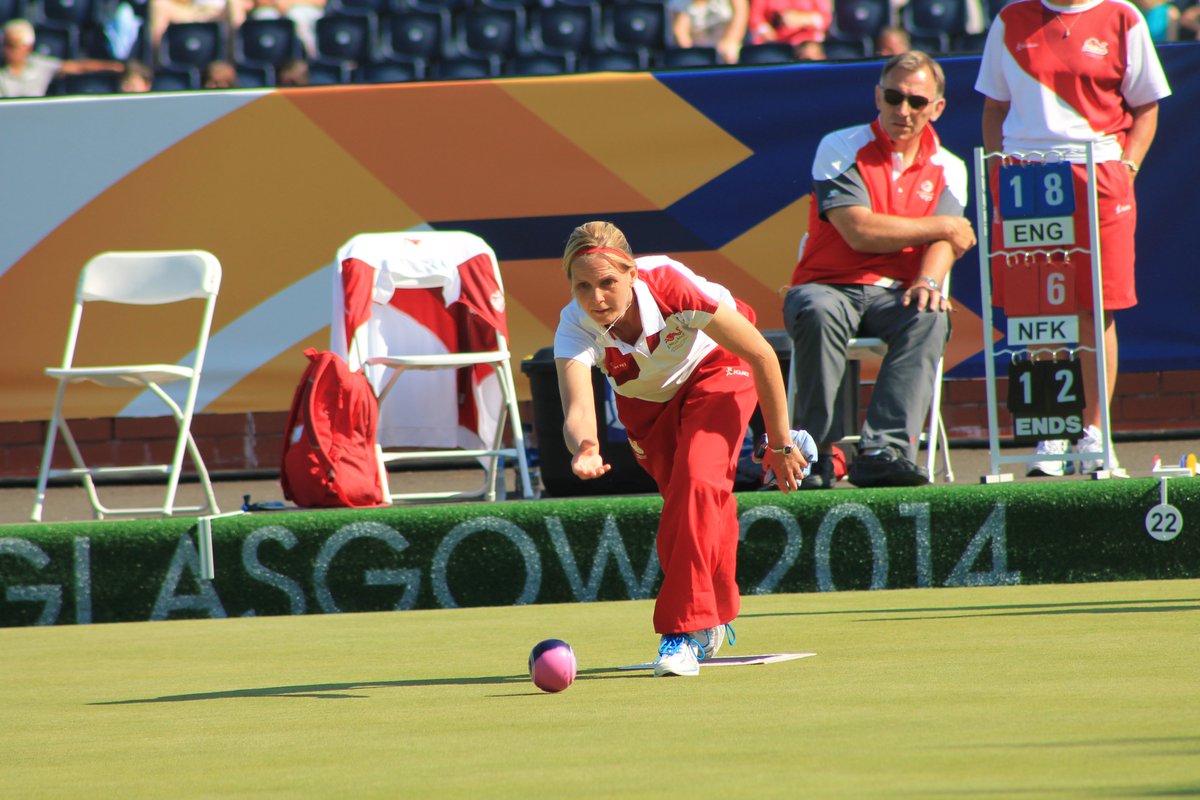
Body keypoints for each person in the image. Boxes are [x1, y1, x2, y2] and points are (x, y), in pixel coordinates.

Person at [554, 221, 809, 678]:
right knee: (692, 503)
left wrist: (780, 441)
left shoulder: (672, 286)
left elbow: (762, 355)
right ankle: (714, 615)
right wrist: (586, 446)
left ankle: (681, 631)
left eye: (608, 282)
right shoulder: (574, 325)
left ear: (631, 273)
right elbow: (577, 407)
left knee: (697, 481)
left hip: (718, 370)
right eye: (583, 286)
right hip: (646, 407)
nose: (596, 298)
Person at [976, 0, 1171, 476]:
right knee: (1036, 309)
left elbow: (1146, 107)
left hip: (1099, 171)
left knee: (1095, 306)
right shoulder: (1009, 18)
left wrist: (1127, 168)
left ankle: (1094, 432)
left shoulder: (1123, 16)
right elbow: (994, 108)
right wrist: (1001, 176)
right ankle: (1050, 431)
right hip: (1027, 175)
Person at [782, 50, 975, 489]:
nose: (903, 110)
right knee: (817, 309)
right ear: (878, 97)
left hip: (897, 294)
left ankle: (884, 451)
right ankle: (814, 457)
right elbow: (859, 231)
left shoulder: (952, 168)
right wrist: (944, 224)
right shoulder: (839, 146)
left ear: (937, 108)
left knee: (931, 314)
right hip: (826, 287)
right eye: (894, 97)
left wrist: (929, 279)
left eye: (917, 101)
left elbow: (948, 242)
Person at [0, 19, 123, 98]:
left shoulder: (40, 65)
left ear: (27, 47)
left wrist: (112, 66)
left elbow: (77, 67)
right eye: (5, 45)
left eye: (12, 46)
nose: (7, 50)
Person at [668, 0, 750, 65]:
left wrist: (729, 41)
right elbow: (681, 32)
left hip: (729, 44)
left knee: (731, 55)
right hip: (698, 47)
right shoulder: (681, 2)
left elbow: (741, 15)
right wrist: (691, 54)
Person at [748, 0, 831, 47]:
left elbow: (825, 19)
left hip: (808, 41)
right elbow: (755, 18)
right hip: (776, 44)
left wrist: (801, 19)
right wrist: (767, 32)